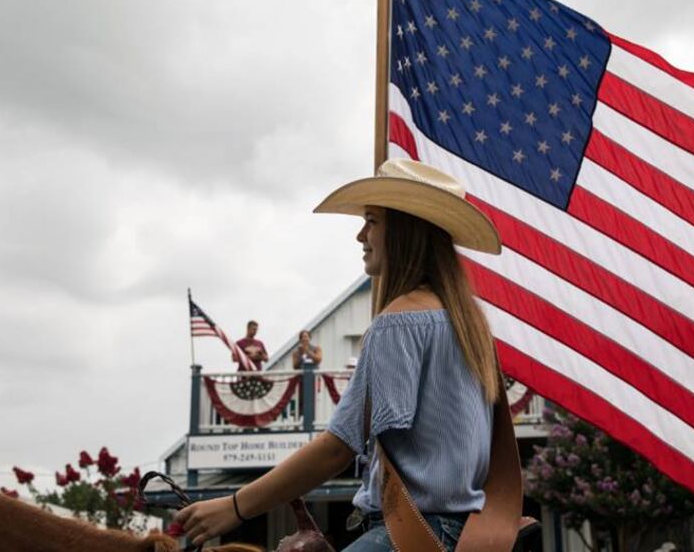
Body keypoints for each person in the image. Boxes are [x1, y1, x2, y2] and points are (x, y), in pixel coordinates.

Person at [174, 159, 505, 550]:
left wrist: (234, 505)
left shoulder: (397, 323)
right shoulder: (468, 323)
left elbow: (337, 448)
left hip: (412, 533)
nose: (360, 235)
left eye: (372, 221)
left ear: (403, 228)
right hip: (470, 534)